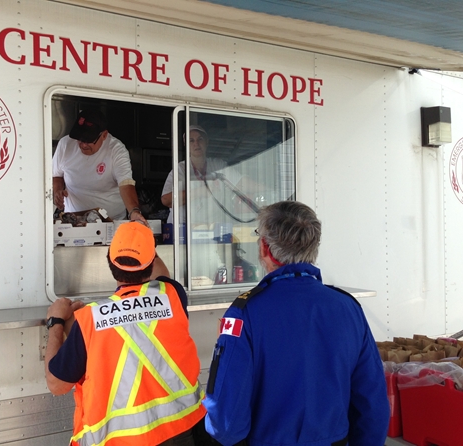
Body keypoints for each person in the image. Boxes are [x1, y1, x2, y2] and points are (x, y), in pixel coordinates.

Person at [203, 201, 390, 446]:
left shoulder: (244, 314)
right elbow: (374, 410)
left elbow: (226, 425)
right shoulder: (348, 308)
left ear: (265, 249)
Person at [45, 221, 206, 445]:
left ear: (110, 262)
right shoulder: (172, 295)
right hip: (183, 431)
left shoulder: (90, 319)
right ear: (151, 261)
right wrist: (142, 236)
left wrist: (56, 321)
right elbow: (161, 273)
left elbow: (56, 384)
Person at [53, 109, 147, 223]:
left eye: (88, 140)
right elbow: (56, 175)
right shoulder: (65, 144)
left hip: (111, 221)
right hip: (74, 221)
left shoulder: (116, 150)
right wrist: (57, 191)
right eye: (79, 139)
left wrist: (134, 211)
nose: (83, 145)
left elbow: (125, 184)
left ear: (104, 135)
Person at [161, 125, 241, 225]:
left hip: (213, 229)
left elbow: (241, 183)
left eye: (200, 139)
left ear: (207, 142)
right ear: (186, 145)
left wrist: (265, 187)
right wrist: (200, 192)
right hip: (182, 231)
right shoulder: (180, 169)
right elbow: (166, 200)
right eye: (191, 140)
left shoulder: (218, 165)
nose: (196, 144)